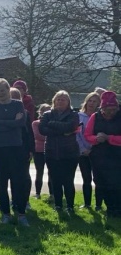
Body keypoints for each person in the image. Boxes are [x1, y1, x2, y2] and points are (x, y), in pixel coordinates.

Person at [0, 78, 29, 225]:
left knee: (18, 183)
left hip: (15, 148)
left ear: (8, 90)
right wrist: (11, 122)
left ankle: (21, 213)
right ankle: (6, 213)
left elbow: (21, 123)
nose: (0, 94)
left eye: (3, 91)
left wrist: (1, 122)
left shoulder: (18, 104)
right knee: (1, 183)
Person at [39, 91, 80, 213]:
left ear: (68, 102)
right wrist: (61, 131)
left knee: (68, 180)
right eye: (58, 99)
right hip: (52, 152)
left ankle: (70, 206)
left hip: (69, 153)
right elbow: (42, 129)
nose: (60, 101)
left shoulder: (73, 114)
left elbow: (71, 127)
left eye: (63, 99)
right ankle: (58, 205)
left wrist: (53, 124)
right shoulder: (47, 114)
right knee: (55, 180)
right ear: (54, 101)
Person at [83, 90, 121, 218]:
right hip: (99, 156)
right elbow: (87, 135)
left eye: (113, 110)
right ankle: (110, 208)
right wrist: (95, 139)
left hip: (117, 156)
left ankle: (118, 208)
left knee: (116, 183)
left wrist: (109, 138)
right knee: (101, 183)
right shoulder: (95, 116)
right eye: (107, 110)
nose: (110, 113)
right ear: (102, 108)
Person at [77, 91, 102, 210]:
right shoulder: (79, 116)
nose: (91, 103)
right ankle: (87, 204)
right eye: (90, 101)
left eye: (95, 101)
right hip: (82, 152)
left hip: (96, 151)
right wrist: (83, 149)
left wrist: (92, 148)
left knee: (98, 178)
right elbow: (77, 135)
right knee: (86, 178)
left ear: (99, 104)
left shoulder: (100, 117)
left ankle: (98, 204)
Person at [31, 103, 51, 199]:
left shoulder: (52, 123)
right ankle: (38, 193)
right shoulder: (36, 123)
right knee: (39, 171)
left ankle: (52, 194)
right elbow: (38, 136)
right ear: (41, 112)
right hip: (38, 150)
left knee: (51, 172)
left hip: (50, 149)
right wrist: (51, 135)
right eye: (44, 110)